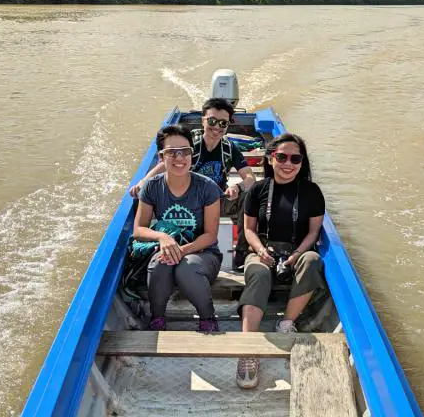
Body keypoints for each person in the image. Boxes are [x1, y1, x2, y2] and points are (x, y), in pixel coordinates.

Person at [234, 133, 327, 389]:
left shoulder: (311, 191)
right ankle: (248, 350)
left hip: (296, 251)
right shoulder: (258, 190)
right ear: (271, 158)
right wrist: (260, 250)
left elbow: (313, 233)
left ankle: (286, 324)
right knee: (259, 273)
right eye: (282, 157)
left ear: (302, 162)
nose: (289, 163)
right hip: (262, 250)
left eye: (295, 158)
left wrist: (297, 254)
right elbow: (249, 230)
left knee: (312, 260)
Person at [133, 124, 223, 333]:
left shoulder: (207, 187)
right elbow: (139, 229)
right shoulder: (152, 186)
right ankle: (157, 318)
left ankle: (208, 317)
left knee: (187, 267)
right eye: (171, 152)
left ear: (192, 154)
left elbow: (210, 236)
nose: (179, 158)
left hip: (204, 254)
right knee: (159, 264)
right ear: (161, 157)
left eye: (185, 151)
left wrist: (181, 251)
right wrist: (163, 237)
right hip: (167, 249)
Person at [129, 98, 256, 219]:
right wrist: (143, 182)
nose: (217, 127)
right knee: (142, 199)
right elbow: (165, 165)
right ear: (203, 121)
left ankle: (247, 240)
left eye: (223, 123)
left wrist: (237, 188)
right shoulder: (189, 145)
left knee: (251, 199)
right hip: (187, 199)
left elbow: (250, 178)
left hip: (216, 199)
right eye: (212, 121)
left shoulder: (229, 148)